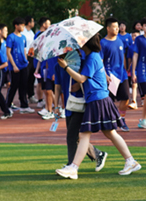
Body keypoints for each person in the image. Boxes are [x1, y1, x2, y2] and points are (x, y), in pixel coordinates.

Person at [55, 34, 141, 179]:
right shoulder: (93, 57)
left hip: (97, 100)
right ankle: (130, 161)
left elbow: (82, 79)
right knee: (109, 133)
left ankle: (74, 168)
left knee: (84, 135)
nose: (78, 44)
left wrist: (66, 67)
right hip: (99, 99)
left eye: (81, 41)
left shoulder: (92, 57)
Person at [53, 49, 107, 171]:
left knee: (71, 136)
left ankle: (71, 165)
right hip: (68, 105)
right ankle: (98, 154)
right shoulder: (58, 66)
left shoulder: (80, 63)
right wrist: (56, 106)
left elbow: (87, 78)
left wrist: (78, 83)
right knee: (77, 137)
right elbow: (57, 87)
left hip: (80, 103)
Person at [101, 18, 131, 132]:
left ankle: (121, 119)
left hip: (122, 75)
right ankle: (111, 120)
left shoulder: (120, 40)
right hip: (111, 77)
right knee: (110, 101)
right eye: (114, 27)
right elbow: (100, 61)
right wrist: (105, 75)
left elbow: (122, 56)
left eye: (118, 27)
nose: (117, 29)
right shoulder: (103, 43)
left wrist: (126, 69)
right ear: (108, 28)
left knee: (126, 98)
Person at [6, 17, 32, 114]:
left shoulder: (23, 37)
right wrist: (13, 65)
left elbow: (24, 49)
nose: (23, 27)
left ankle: (24, 105)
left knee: (24, 85)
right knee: (14, 86)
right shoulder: (11, 37)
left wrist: (25, 60)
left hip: (24, 65)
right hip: (15, 66)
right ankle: (7, 105)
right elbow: (8, 52)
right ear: (16, 26)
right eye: (21, 25)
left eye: (24, 25)